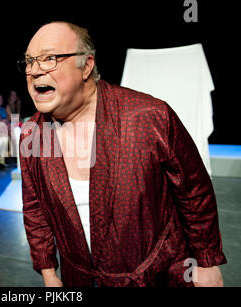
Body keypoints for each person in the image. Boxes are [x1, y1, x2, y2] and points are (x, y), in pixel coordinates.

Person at [18, 21, 226, 287]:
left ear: (87, 65)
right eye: (29, 61)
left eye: (49, 59)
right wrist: (49, 274)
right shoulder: (32, 135)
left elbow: (194, 191)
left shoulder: (149, 117)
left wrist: (207, 263)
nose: (34, 71)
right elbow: (35, 211)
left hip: (158, 277)